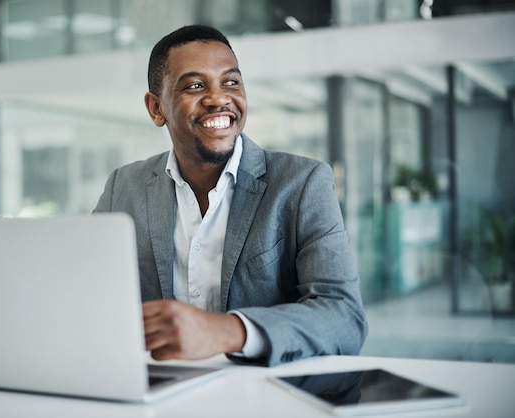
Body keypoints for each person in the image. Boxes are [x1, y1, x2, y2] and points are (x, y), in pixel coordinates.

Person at [93, 25, 367, 367]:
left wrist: (228, 331)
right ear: (156, 108)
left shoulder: (302, 183)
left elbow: (343, 318)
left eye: (231, 82)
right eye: (194, 86)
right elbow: (87, 294)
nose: (219, 98)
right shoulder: (124, 186)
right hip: (157, 392)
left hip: (263, 395)